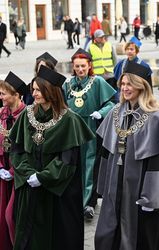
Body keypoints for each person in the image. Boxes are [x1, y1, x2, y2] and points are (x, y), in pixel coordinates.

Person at [9, 65, 94, 250]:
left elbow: (68, 160)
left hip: (58, 192)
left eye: (39, 90)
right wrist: (27, 173)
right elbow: (17, 150)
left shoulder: (69, 120)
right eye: (33, 89)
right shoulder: (27, 115)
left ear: (51, 91)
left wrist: (44, 177)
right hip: (30, 188)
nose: (34, 93)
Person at [94, 61, 159, 250]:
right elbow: (105, 152)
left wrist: (152, 198)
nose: (124, 88)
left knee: (141, 237)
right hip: (115, 185)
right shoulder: (115, 113)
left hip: (140, 191)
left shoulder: (156, 117)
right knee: (109, 233)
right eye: (122, 83)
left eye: (129, 84)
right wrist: (102, 186)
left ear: (141, 86)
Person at [62, 48, 116, 219]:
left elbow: (112, 103)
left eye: (83, 66)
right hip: (72, 129)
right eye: (77, 66)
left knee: (90, 165)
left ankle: (89, 203)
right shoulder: (67, 84)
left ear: (89, 66)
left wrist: (101, 112)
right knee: (74, 163)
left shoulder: (97, 81)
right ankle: (75, 200)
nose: (80, 70)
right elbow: (61, 104)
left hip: (91, 128)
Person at [0, 72, 26, 250]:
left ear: (16, 94)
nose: (0, 97)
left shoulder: (27, 115)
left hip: (20, 173)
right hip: (3, 170)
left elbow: (28, 148)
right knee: (2, 216)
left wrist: (13, 171)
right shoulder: (2, 113)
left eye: (3, 93)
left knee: (12, 216)